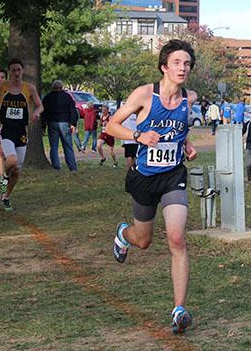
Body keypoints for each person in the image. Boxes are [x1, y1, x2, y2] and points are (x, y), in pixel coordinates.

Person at [107, 39, 198, 334]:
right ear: (164, 67)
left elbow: (179, 129)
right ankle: (124, 234)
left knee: (176, 237)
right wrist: (138, 135)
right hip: (144, 177)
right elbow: (111, 126)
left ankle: (179, 309)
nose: (182, 68)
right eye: (176, 63)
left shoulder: (190, 99)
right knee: (143, 240)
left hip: (173, 175)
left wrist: (186, 144)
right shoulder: (145, 94)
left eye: (186, 64)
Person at [0, 58, 43, 211]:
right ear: (9, 72)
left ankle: (6, 196)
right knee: (11, 159)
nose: (16, 73)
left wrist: (37, 112)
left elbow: (40, 105)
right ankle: (3, 177)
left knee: (16, 169)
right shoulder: (2, 86)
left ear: (22, 71)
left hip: (21, 131)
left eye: (18, 70)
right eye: (13, 70)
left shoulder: (29, 88)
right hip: (6, 129)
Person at [41, 80, 78, 171]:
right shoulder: (67, 97)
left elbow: (44, 113)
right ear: (61, 87)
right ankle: (72, 167)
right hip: (65, 122)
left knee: (53, 147)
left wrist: (43, 125)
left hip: (52, 123)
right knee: (68, 146)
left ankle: (56, 167)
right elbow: (73, 111)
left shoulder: (47, 97)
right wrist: (73, 123)